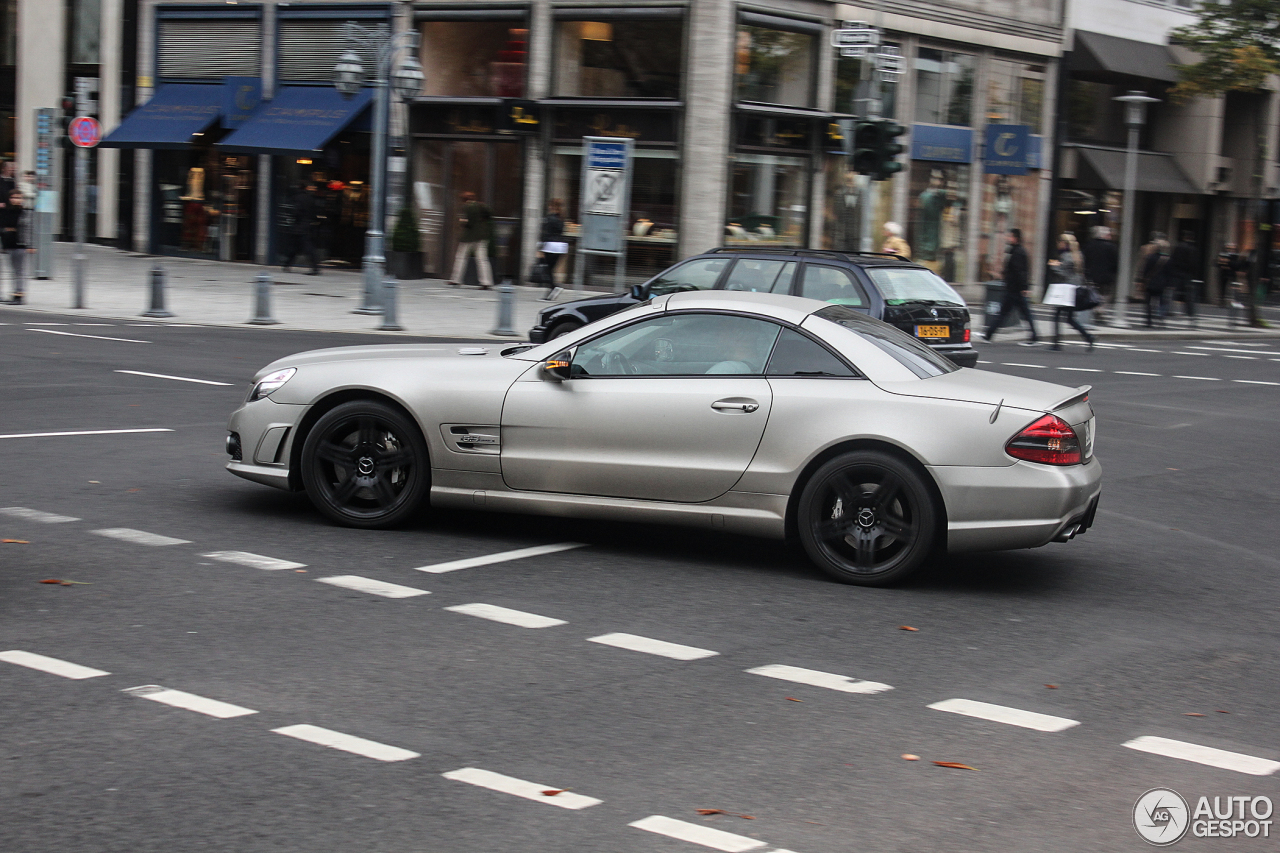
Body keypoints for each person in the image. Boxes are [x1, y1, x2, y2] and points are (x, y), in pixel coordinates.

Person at [983, 228, 1039, 345]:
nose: (1007, 238)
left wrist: (1024, 287)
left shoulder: (1018, 252)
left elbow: (1021, 272)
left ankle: (988, 335)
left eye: (1010, 236)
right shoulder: (1013, 251)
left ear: (1015, 238)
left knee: (1008, 314)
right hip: (1013, 288)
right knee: (1018, 314)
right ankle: (989, 335)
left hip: (1015, 289)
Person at [1048, 232, 1094, 351]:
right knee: (1069, 318)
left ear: (1064, 243)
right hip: (1074, 289)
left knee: (1057, 316)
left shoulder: (1065, 256)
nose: (1058, 245)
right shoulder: (1078, 255)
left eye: (1060, 242)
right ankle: (1088, 337)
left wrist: (1053, 265)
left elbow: (1063, 273)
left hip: (1066, 290)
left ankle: (1056, 343)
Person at [449, 190, 494, 289]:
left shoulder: (466, 207)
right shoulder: (482, 206)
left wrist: (462, 222)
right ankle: (486, 282)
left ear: (464, 199)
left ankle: (456, 280)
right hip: (481, 236)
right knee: (482, 260)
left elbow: (468, 222)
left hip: (469, 237)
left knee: (461, 257)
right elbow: (489, 215)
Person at [281, 184, 320, 275]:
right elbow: (314, 212)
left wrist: (293, 220)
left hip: (299, 227)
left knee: (299, 247)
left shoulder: (297, 198)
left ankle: (314, 268)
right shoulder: (310, 198)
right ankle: (287, 265)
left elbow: (295, 212)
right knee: (300, 247)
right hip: (306, 226)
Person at [0, 188, 31, 303]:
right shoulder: (5, 211)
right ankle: (13, 293)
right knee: (12, 271)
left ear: (22, 199)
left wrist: (29, 245)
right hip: (7, 244)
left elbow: (28, 229)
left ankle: (19, 295)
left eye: (18, 197)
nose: (15, 200)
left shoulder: (25, 212)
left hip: (19, 244)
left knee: (19, 271)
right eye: (13, 197)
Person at [1083, 225, 1118, 322]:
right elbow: (1115, 263)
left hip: (1091, 274)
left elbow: (1084, 260)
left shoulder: (1089, 245)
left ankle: (1094, 308)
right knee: (1105, 293)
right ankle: (1100, 309)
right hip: (1107, 275)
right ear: (1105, 235)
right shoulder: (1112, 247)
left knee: (1093, 293)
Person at [1166, 231, 1200, 324]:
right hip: (1187, 274)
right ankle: (1190, 312)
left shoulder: (1178, 247)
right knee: (1189, 294)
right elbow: (1193, 263)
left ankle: (1168, 309)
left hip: (1176, 272)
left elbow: (1172, 259)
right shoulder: (1192, 249)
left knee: (1172, 292)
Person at [537, 198, 567, 300]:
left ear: (552, 206)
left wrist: (540, 248)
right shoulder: (561, 219)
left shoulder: (549, 218)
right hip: (561, 247)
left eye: (550, 205)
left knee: (547, 269)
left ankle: (554, 287)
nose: (548, 207)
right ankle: (551, 291)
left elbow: (545, 233)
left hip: (550, 246)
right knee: (550, 269)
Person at [1140, 237, 1171, 328]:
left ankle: (1148, 321)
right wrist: (1168, 283)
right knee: (1161, 301)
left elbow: (1145, 270)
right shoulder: (1167, 259)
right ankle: (1161, 317)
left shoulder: (1151, 257)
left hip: (1150, 282)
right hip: (1162, 284)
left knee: (1149, 303)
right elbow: (1169, 273)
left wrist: (1143, 280)